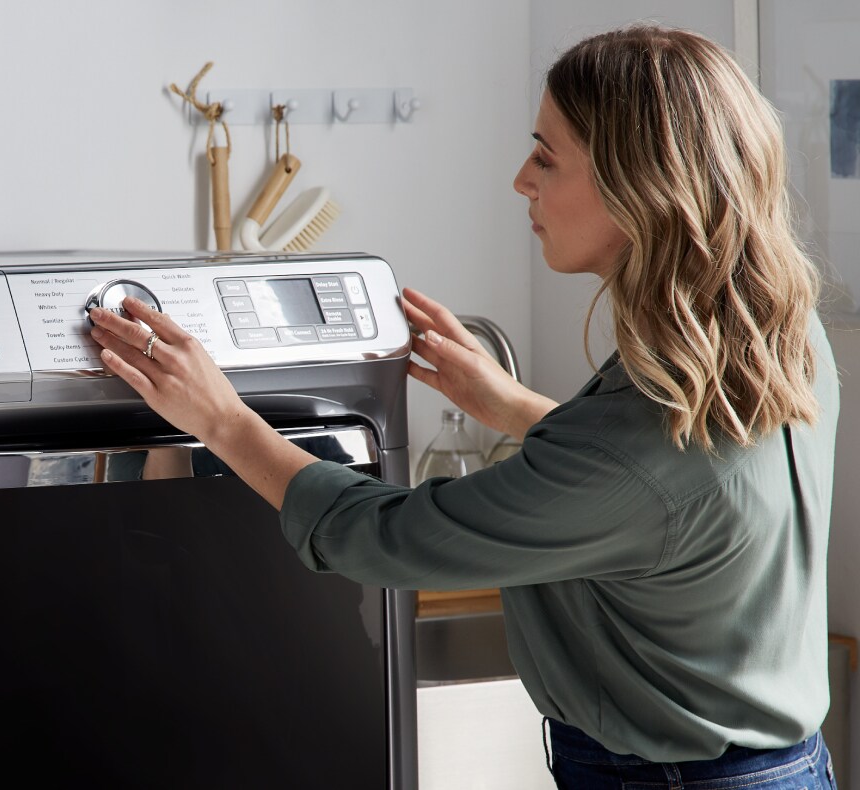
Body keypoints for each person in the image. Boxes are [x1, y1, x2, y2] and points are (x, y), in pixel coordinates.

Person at [87, 23, 841, 790]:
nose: (522, 179)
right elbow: (673, 502)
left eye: (547, 157)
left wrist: (223, 420)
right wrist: (511, 404)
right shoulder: (778, 333)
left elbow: (386, 537)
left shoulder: (632, 443)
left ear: (637, 189)